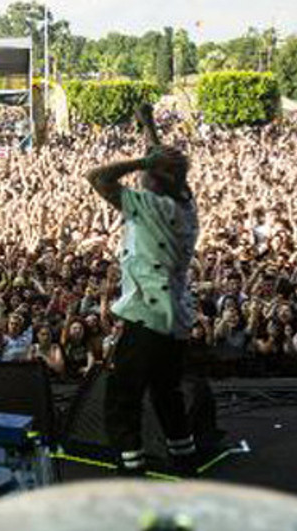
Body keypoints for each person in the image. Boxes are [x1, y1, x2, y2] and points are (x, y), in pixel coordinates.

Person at [85, 104, 199, 474]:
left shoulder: (151, 207)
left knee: (123, 398)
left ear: (154, 179)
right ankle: (185, 462)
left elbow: (98, 177)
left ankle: (131, 470)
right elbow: (167, 170)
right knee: (167, 394)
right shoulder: (184, 203)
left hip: (148, 319)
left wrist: (140, 161)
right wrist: (148, 127)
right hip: (174, 319)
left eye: (148, 174)